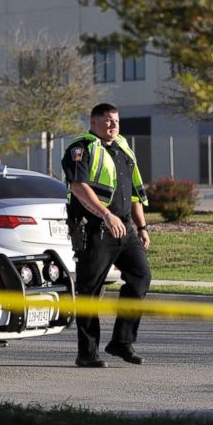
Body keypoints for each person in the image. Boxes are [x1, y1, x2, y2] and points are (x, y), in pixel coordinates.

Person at [61, 103, 152, 368]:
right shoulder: (81, 148)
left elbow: (134, 192)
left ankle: (121, 342)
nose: (113, 125)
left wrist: (142, 226)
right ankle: (87, 354)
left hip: (124, 228)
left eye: (117, 121)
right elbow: (78, 187)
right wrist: (106, 215)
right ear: (93, 122)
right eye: (108, 120)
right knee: (90, 290)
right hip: (96, 229)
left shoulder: (122, 148)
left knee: (140, 277)